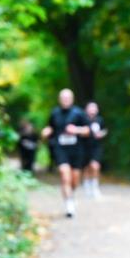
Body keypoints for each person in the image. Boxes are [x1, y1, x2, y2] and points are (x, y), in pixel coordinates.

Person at [42, 89, 89, 218]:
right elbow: (50, 126)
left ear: (72, 99)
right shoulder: (55, 113)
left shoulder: (78, 113)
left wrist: (76, 130)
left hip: (76, 150)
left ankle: (71, 196)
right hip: (60, 148)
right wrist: (46, 131)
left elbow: (87, 130)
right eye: (63, 98)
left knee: (74, 180)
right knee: (64, 175)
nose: (65, 100)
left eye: (68, 98)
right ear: (59, 99)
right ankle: (69, 204)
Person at [82, 101, 108, 198]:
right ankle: (87, 187)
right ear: (86, 110)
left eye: (94, 108)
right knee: (86, 168)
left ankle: (95, 187)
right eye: (90, 108)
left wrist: (101, 134)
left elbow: (105, 130)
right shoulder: (83, 120)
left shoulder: (100, 120)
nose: (92, 110)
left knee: (95, 166)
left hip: (96, 147)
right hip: (84, 147)